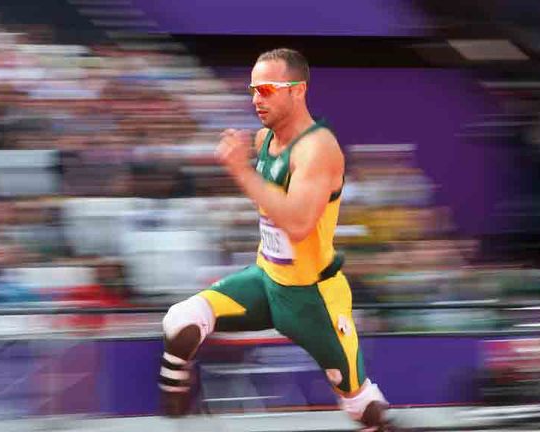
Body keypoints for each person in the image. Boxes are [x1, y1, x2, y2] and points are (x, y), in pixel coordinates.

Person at [158, 48, 396, 430]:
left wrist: (242, 173)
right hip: (267, 281)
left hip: (312, 299)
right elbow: (269, 203)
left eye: (267, 89)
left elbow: (298, 224)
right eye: (253, 89)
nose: (256, 99)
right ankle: (175, 400)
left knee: (360, 403)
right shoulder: (264, 139)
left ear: (298, 90)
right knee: (181, 319)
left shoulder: (318, 148)